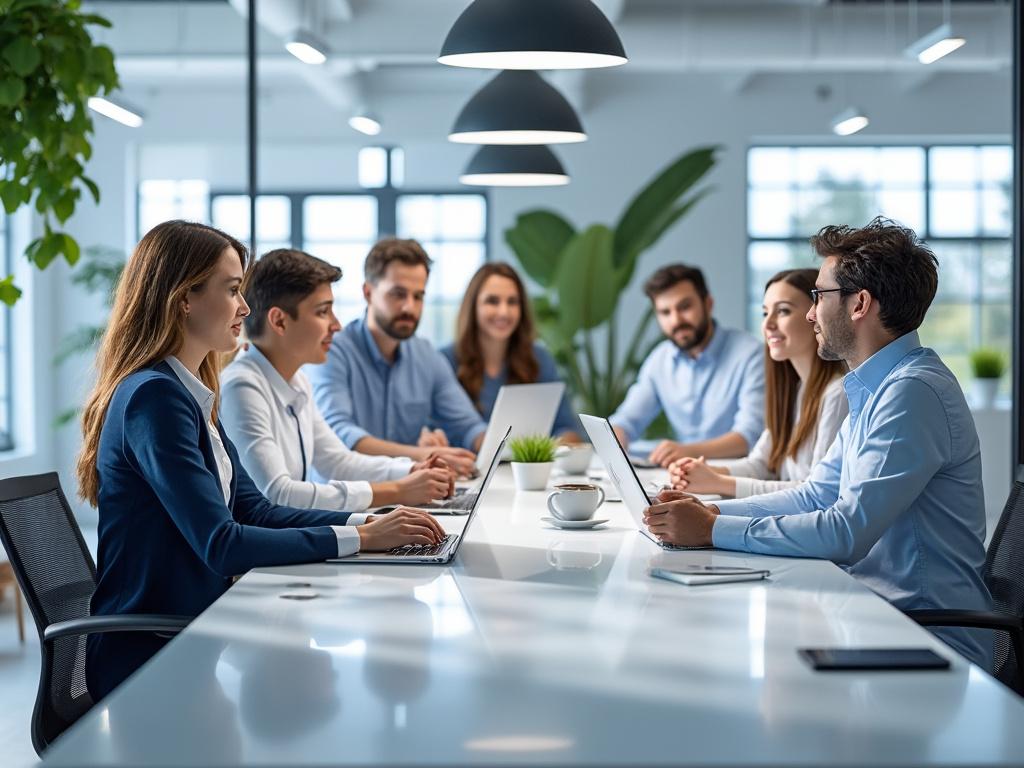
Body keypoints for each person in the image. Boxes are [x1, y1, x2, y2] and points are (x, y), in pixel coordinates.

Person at [77, 221, 445, 700]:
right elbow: (222, 544)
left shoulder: (190, 395)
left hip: (192, 633)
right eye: (232, 290)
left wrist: (373, 523)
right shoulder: (155, 399)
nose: (244, 307)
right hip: (151, 656)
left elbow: (257, 510)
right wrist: (362, 536)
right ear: (184, 298)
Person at [642, 218, 992, 670]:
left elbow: (846, 531)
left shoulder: (911, 393)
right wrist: (707, 512)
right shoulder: (876, 387)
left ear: (859, 304)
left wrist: (710, 530)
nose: (810, 314)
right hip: (872, 611)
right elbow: (816, 494)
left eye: (819, 296)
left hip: (923, 634)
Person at [220, 248, 457, 513]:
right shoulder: (242, 386)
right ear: (279, 321)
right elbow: (276, 494)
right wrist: (398, 490)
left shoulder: (297, 381)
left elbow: (337, 461)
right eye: (323, 312)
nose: (337, 325)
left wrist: (411, 469)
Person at [306, 238, 487, 477]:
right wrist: (420, 456)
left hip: (406, 497)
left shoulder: (426, 356)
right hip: (343, 502)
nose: (409, 308)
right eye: (398, 294)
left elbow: (469, 426)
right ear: (368, 293)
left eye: (418, 296)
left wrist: (507, 447)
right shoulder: (332, 351)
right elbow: (340, 435)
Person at [668, 268, 847, 498]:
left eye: (783, 311)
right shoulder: (797, 390)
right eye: (765, 313)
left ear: (815, 315)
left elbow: (818, 492)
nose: (768, 324)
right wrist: (699, 472)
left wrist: (719, 483)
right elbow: (762, 465)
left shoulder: (836, 393)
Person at [609, 264, 765, 467]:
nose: (676, 320)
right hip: (683, 476)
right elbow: (626, 420)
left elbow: (748, 437)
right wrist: (616, 439)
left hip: (736, 476)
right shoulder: (660, 360)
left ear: (708, 304)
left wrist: (687, 451)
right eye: (665, 312)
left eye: (684, 307)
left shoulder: (751, 354)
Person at [440, 262, 580, 441]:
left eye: (512, 302)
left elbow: (566, 427)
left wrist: (552, 449)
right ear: (473, 306)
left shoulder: (540, 359)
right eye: (492, 301)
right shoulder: (445, 361)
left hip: (528, 466)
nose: (504, 312)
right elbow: (439, 432)